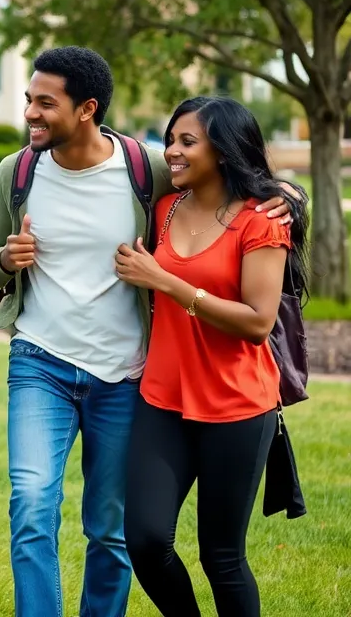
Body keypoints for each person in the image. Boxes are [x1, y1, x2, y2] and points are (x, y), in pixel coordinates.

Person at [0, 47, 296, 617]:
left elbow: (234, 184)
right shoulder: (18, 172)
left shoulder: (146, 168)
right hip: (40, 361)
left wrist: (287, 199)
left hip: (125, 371)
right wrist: (6, 258)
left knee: (113, 528)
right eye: (29, 99)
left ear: (87, 109)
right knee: (31, 504)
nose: (30, 111)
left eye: (44, 102)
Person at [115, 96, 306, 616]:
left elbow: (258, 321)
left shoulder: (261, 221)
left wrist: (165, 281)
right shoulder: (164, 207)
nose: (171, 151)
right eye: (170, 139)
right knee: (147, 541)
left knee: (221, 556)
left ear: (222, 151)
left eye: (186, 142)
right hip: (163, 400)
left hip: (237, 406)